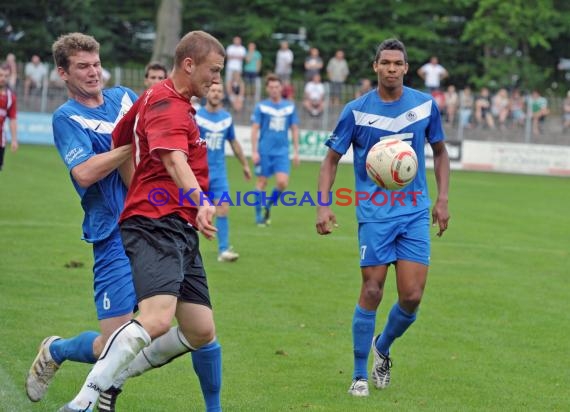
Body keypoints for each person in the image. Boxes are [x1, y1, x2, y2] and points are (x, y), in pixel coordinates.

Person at [59, 30, 225, 412]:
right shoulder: (167, 102)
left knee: (200, 329)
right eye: (212, 71)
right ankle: (83, 401)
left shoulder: (152, 98)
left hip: (175, 224)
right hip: (158, 224)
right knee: (155, 320)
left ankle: (110, 383)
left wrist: (145, 191)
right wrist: (197, 200)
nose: (215, 80)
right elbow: (172, 159)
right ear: (189, 64)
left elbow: (124, 141)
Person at [316, 38, 450, 397]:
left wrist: (443, 200)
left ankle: (383, 346)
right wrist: (323, 205)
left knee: (411, 296)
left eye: (398, 63)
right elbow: (330, 160)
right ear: (375, 66)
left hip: (414, 212)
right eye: (385, 62)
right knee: (372, 289)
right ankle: (359, 374)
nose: (391, 68)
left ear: (407, 68)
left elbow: (439, 152)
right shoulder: (356, 111)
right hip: (375, 215)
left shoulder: (424, 106)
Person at [25, 32, 138, 407]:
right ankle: (58, 351)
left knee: (180, 326)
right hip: (112, 233)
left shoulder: (125, 98)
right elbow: (85, 173)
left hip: (153, 226)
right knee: (116, 342)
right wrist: (128, 147)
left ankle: (103, 394)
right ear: (63, 73)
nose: (93, 73)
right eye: (82, 67)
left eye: (96, 64)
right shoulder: (67, 117)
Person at [196, 82, 251, 261]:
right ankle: (187, 251)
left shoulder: (226, 118)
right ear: (207, 93)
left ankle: (224, 250)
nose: (216, 93)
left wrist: (244, 164)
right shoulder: (196, 116)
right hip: (198, 173)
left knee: (223, 208)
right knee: (191, 212)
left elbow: (234, 142)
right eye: (213, 90)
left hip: (219, 173)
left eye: (219, 91)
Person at [251, 73, 300, 226]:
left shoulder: (289, 107)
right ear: (267, 89)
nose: (274, 90)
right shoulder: (261, 106)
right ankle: (259, 216)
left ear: (281, 88)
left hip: (282, 152)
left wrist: (297, 152)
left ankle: (268, 205)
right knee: (262, 182)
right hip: (264, 151)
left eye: (276, 87)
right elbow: (255, 129)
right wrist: (254, 151)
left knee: (282, 182)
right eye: (271, 87)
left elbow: (294, 129)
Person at [0, 65, 18, 171]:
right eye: (1, 75)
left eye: (6, 76)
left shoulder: (10, 97)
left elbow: (12, 119)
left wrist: (14, 139)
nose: (3, 78)